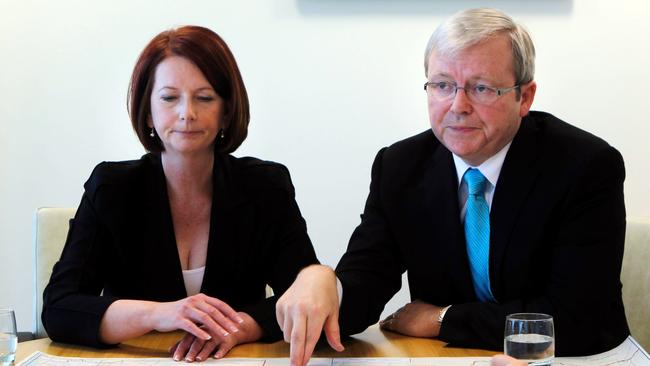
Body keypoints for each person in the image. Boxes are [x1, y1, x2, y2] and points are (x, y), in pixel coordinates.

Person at [276, 8, 629, 366]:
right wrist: (323, 285)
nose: (458, 106)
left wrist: (441, 319)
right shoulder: (400, 167)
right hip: (446, 358)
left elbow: (578, 319)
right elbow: (365, 285)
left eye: (481, 88)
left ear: (525, 97)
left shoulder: (585, 165)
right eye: (443, 85)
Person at [42, 25, 318, 362]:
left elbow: (305, 296)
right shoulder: (112, 187)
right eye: (170, 97)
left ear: (226, 111)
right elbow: (60, 307)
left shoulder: (265, 186)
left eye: (204, 97)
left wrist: (241, 326)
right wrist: (162, 314)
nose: (187, 113)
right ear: (147, 111)